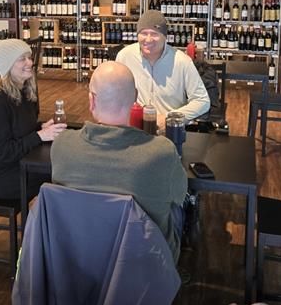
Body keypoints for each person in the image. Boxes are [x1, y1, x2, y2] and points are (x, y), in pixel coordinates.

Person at [51, 61, 187, 262]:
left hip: (79, 258)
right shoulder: (162, 152)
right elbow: (179, 194)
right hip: (142, 266)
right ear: (135, 99)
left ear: (92, 101)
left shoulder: (62, 146)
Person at [0, 37, 66, 200]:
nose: (30, 63)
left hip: (18, 162)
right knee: (61, 175)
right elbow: (3, 153)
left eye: (29, 57)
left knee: (62, 171)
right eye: (22, 59)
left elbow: (20, 129)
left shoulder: (25, 91)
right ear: (7, 66)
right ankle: (45, 223)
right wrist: (40, 136)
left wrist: (41, 127)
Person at [116, 9, 210, 129]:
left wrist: (170, 117)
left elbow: (202, 101)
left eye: (155, 34)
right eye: (144, 33)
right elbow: (117, 92)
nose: (148, 39)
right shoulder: (125, 56)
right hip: (134, 130)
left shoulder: (182, 62)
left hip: (169, 130)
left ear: (165, 37)